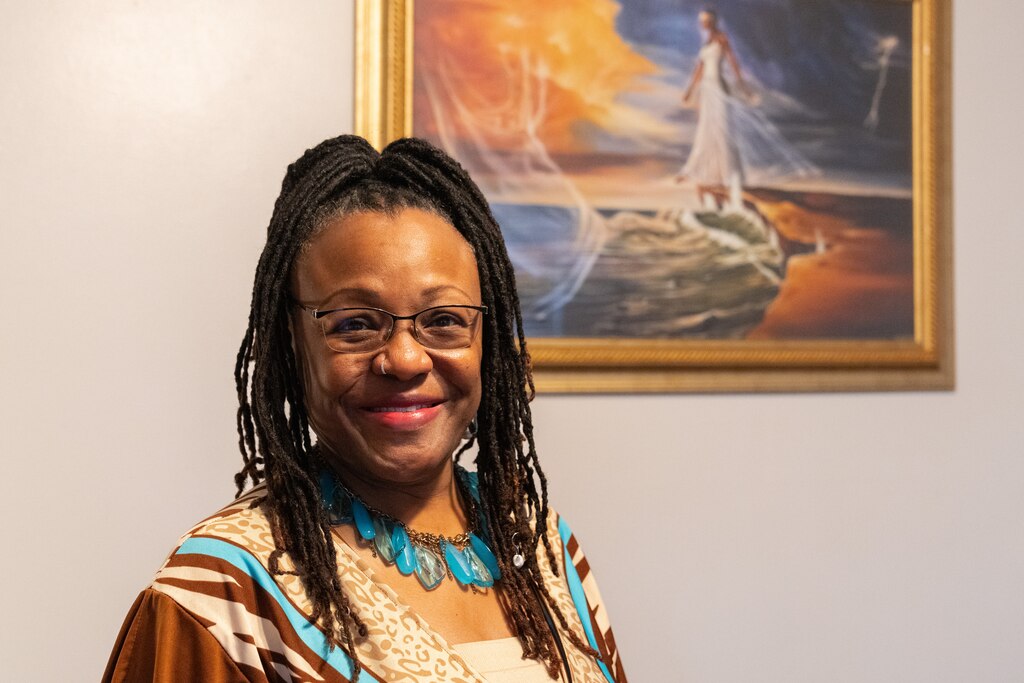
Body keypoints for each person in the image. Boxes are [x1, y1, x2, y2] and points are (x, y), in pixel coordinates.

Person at [102, 135, 626, 682]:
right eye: (354, 324)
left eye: (444, 319)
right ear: (291, 343)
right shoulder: (222, 594)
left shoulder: (540, 547)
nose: (403, 359)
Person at [677, 9, 815, 200]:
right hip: (706, 90)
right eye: (701, 21)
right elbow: (699, 68)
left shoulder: (721, 38)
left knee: (722, 128)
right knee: (706, 128)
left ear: (713, 21)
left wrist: (743, 87)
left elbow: (733, 63)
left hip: (718, 85)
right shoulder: (707, 42)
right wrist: (690, 90)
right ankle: (703, 171)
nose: (702, 24)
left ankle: (727, 174)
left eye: (705, 20)